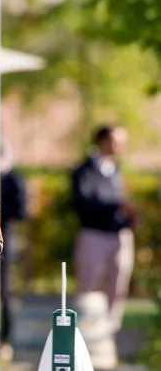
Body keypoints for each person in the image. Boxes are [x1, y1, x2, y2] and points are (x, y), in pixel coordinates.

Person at [70, 125, 136, 332]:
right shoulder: (84, 171)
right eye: (117, 142)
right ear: (103, 142)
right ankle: (83, 331)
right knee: (88, 284)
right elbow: (83, 203)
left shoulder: (115, 170)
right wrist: (116, 204)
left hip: (118, 235)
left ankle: (108, 333)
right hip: (94, 234)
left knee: (117, 286)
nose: (120, 147)